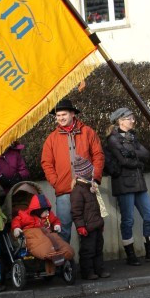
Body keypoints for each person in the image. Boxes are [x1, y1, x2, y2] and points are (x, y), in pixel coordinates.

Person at [104, 107, 150, 265]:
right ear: (120, 120)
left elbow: (146, 154)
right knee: (128, 220)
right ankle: (130, 255)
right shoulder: (113, 139)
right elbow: (123, 161)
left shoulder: (132, 136)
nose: (133, 120)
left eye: (133, 118)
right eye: (129, 118)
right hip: (124, 183)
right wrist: (138, 161)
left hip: (138, 183)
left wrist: (133, 154)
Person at [41, 98, 104, 243]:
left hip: (87, 187)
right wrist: (56, 182)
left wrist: (95, 177)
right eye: (58, 116)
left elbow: (98, 155)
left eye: (64, 114)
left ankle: (88, 264)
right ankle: (66, 264)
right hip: (64, 191)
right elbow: (46, 163)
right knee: (64, 229)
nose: (61, 118)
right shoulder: (51, 139)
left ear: (72, 114)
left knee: (88, 226)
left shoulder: (88, 132)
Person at [11, 192, 74, 273]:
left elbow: (55, 220)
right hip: (33, 233)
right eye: (45, 211)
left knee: (57, 240)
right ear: (38, 211)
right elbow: (16, 221)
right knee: (43, 242)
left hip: (47, 233)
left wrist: (57, 225)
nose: (48, 213)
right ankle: (51, 253)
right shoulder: (25, 216)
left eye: (48, 211)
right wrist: (16, 228)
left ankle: (62, 251)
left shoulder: (48, 216)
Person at [70, 158, 109, 280]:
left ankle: (99, 269)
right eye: (90, 171)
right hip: (87, 226)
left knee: (98, 249)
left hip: (95, 224)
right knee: (88, 250)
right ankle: (87, 272)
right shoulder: (78, 191)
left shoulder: (90, 187)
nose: (92, 172)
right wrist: (80, 226)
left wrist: (100, 223)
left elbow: (97, 208)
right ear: (84, 173)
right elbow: (76, 212)